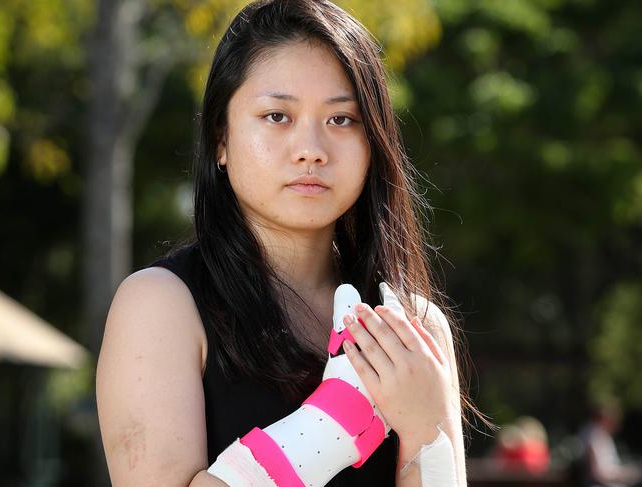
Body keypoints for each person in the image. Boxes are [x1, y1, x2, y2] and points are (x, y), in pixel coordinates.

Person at [96, 0, 489, 485]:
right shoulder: (161, 304)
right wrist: (337, 424)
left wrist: (426, 435)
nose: (310, 150)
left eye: (342, 120)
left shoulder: (415, 326)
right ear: (221, 138)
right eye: (277, 116)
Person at [574, 400, 642, 487]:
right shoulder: (593, 435)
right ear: (605, 417)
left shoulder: (601, 434)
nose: (617, 424)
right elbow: (599, 474)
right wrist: (627, 475)